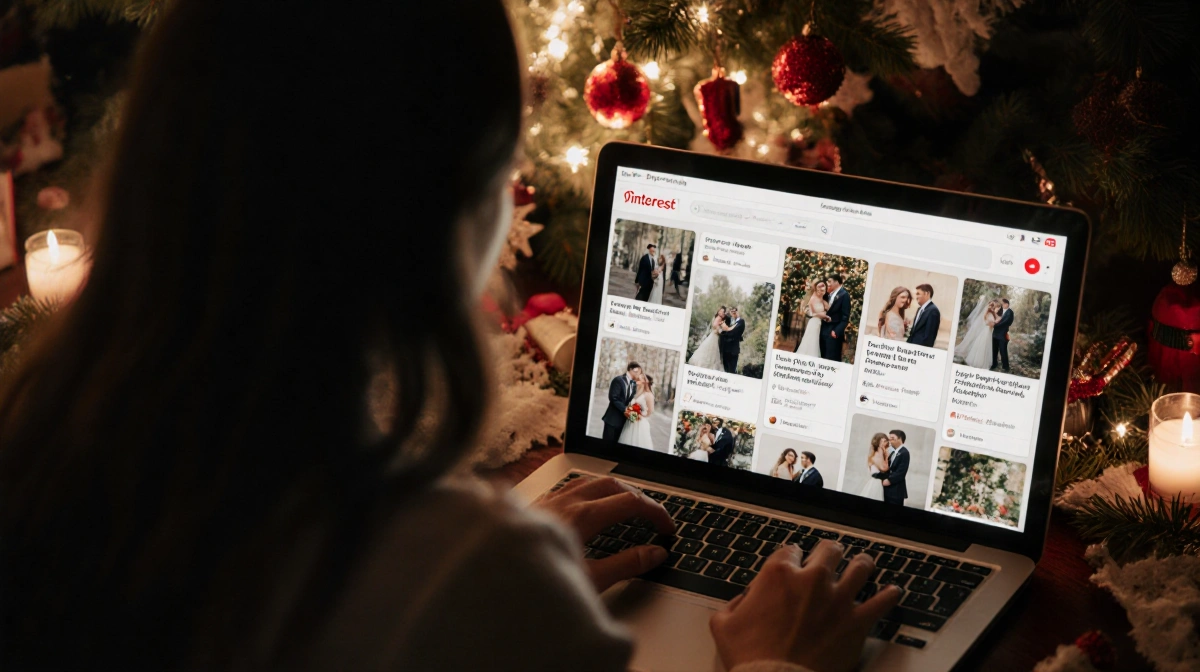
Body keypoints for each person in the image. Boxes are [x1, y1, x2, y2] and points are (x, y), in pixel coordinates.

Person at [0, 1, 900, 669]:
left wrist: (493, 572)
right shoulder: (458, 582)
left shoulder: (41, 447)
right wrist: (779, 663)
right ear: (447, 219)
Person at [955, 297, 1000, 369]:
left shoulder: (991, 314)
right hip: (986, 333)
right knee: (983, 347)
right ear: (993, 307)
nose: (998, 309)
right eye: (997, 307)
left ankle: (982, 362)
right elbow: (990, 325)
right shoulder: (988, 314)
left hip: (987, 332)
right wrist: (996, 322)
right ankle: (979, 363)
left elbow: (996, 320)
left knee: (985, 347)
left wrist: (996, 319)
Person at [602, 362, 642, 442]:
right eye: (638, 372)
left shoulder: (633, 384)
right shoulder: (618, 380)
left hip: (623, 422)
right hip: (612, 420)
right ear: (631, 370)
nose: (639, 374)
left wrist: (634, 412)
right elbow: (613, 398)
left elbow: (630, 400)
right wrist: (626, 410)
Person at [873, 430, 911, 506]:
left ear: (900, 439)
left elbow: (901, 472)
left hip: (896, 489)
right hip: (888, 488)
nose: (889, 440)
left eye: (892, 438)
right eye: (889, 438)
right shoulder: (893, 451)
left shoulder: (904, 452)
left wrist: (889, 480)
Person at [617, 375, 656, 449]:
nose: (637, 381)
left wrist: (639, 415)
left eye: (639, 380)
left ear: (645, 382)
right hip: (631, 421)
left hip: (640, 423)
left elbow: (650, 411)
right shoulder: (639, 392)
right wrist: (630, 412)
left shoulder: (649, 395)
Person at [794, 280, 828, 357]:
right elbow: (807, 311)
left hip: (818, 323)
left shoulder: (822, 300)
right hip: (812, 322)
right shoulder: (811, 298)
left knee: (814, 341)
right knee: (810, 340)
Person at [820, 274, 850, 362]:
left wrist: (836, 331)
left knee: (831, 358)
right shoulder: (829, 294)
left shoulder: (844, 295)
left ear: (837, 282)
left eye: (830, 281)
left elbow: (845, 317)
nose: (827, 283)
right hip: (824, 330)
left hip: (833, 333)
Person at [906, 283, 941, 348]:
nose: (916, 297)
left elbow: (929, 337)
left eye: (918, 294)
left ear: (926, 293)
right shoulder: (919, 309)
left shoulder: (933, 311)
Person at [858, 434, 890, 501]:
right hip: (876, 483)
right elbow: (884, 468)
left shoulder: (878, 454)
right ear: (879, 442)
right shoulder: (877, 455)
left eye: (885, 441)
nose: (885, 443)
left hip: (877, 482)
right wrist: (887, 457)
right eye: (883, 441)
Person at [719, 306, 746, 374]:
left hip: (733, 350)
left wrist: (726, 329)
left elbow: (733, 332)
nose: (733, 313)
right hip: (725, 349)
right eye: (732, 311)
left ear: (738, 312)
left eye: (735, 311)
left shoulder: (741, 322)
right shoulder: (728, 320)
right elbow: (723, 331)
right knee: (725, 369)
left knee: (731, 370)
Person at [992, 298, 1014, 372]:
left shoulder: (1010, 312)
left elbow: (1006, 322)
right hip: (995, 333)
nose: (1002, 305)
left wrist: (995, 325)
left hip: (1003, 334)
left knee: (1003, 350)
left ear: (1007, 304)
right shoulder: (1000, 310)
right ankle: (994, 364)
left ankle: (1005, 366)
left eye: (1003, 304)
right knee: (994, 350)